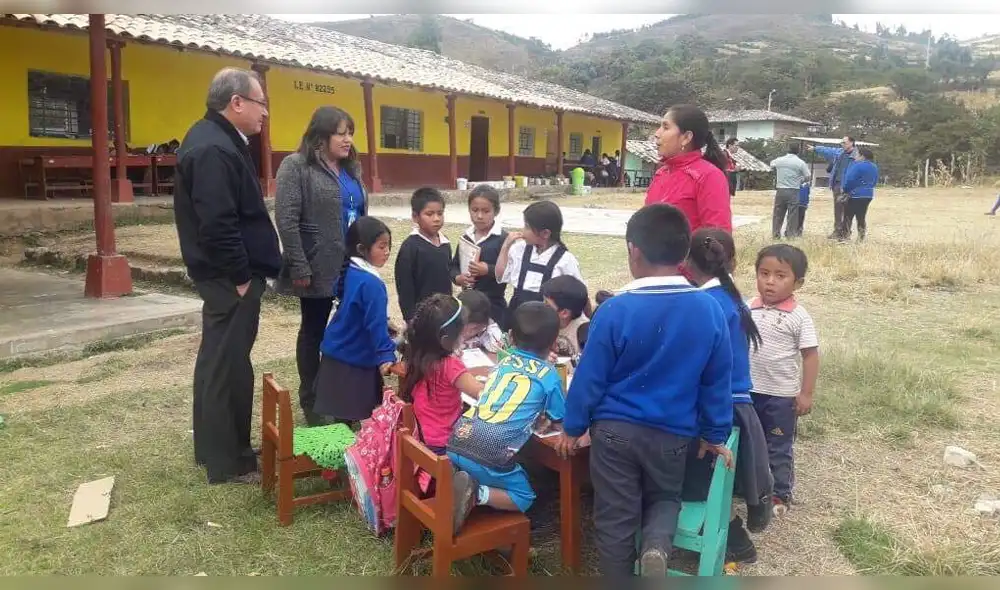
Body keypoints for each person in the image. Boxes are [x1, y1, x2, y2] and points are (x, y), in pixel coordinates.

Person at [557, 204, 734, 577]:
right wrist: (715, 433)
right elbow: (718, 380)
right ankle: (656, 546)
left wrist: (573, 427)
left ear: (633, 250)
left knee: (616, 516)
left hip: (614, 433)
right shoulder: (708, 309)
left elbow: (590, 379)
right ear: (685, 253)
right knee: (666, 497)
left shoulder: (614, 310)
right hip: (673, 434)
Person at [174, 67, 280, 485]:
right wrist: (239, 276)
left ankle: (217, 447)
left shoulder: (214, 139)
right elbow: (218, 224)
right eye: (261, 103)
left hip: (225, 276)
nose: (265, 114)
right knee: (228, 365)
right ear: (236, 102)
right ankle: (228, 461)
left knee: (218, 361)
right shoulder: (213, 148)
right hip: (228, 278)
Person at [682, 228, 773, 565]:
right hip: (737, 405)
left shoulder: (703, 304)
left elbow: (703, 371)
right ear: (733, 261)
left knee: (685, 479)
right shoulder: (732, 298)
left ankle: (733, 539)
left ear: (687, 265)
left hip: (719, 408)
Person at [274, 106, 368, 426]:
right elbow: (286, 220)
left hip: (351, 265)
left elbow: (360, 214)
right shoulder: (296, 166)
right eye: (341, 132)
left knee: (347, 332)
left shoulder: (352, 168)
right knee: (313, 331)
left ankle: (342, 399)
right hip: (317, 264)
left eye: (350, 132)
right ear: (321, 134)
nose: (347, 139)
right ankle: (312, 402)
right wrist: (300, 265)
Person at [447, 302, 567, 534]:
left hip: (457, 438)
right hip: (491, 452)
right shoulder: (549, 375)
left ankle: (467, 489)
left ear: (510, 337)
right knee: (524, 496)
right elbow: (561, 420)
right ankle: (477, 495)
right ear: (554, 343)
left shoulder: (503, 362)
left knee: (506, 465)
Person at [748, 244, 820, 516]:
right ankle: (747, 487)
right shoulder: (748, 309)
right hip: (748, 392)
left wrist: (806, 394)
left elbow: (810, 356)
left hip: (780, 397)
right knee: (747, 441)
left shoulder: (799, 317)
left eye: (780, 276)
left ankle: (779, 494)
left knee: (778, 446)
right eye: (764, 273)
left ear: (797, 282)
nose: (770, 281)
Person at [314, 217, 396, 425]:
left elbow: (357, 311)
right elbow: (375, 325)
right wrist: (386, 354)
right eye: (381, 246)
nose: (387, 251)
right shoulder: (372, 283)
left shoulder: (352, 270)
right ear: (362, 248)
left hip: (337, 354)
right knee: (354, 420)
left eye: (388, 246)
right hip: (352, 360)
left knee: (341, 421)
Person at [399, 294, 484, 456]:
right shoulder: (450, 365)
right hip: (444, 445)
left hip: (420, 433)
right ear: (445, 341)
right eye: (461, 334)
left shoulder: (416, 353)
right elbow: (482, 393)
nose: (463, 339)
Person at [644, 105, 732, 233]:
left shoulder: (709, 176)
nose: (657, 133)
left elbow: (718, 237)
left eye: (666, 127)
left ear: (686, 137)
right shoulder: (661, 173)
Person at [495, 200, 584, 316]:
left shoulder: (565, 260)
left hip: (546, 320)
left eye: (527, 227)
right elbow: (500, 276)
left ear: (545, 233)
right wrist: (505, 246)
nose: (523, 231)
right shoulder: (519, 249)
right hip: (516, 315)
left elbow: (580, 295)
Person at [450, 185, 509, 329]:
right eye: (474, 210)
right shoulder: (466, 237)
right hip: (467, 305)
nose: (479, 216)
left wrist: (487, 269)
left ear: (496, 211)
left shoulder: (503, 240)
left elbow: (510, 272)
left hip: (493, 306)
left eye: (486, 211)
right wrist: (458, 278)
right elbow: (453, 266)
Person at [395, 187, 453, 322]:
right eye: (430, 214)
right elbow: (405, 289)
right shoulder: (410, 248)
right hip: (422, 318)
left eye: (440, 213)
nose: (436, 219)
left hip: (445, 314)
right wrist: (410, 319)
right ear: (415, 217)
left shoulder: (445, 243)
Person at [809, 136, 856, 239]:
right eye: (842, 142)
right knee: (838, 209)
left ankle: (846, 233)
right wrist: (815, 148)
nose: (842, 144)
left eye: (844, 142)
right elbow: (828, 150)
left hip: (849, 186)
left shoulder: (856, 156)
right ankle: (837, 231)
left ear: (851, 143)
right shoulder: (839, 152)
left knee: (847, 210)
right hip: (837, 184)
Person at [540, 275, 590, 358]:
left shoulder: (585, 333)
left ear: (564, 313)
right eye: (543, 300)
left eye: (547, 304)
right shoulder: (542, 322)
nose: (542, 306)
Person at [769, 143, 812, 239]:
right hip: (794, 190)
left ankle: (775, 234)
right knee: (792, 214)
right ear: (798, 151)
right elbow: (808, 176)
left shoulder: (779, 160)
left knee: (778, 213)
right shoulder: (800, 162)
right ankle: (790, 234)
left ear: (788, 150)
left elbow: (771, 164)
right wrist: (800, 180)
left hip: (780, 189)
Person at [840, 148, 879, 242]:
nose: (855, 157)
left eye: (857, 155)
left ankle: (845, 236)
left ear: (862, 156)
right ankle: (861, 237)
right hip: (868, 194)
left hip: (855, 194)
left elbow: (850, 180)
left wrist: (845, 190)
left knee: (848, 216)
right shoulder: (874, 167)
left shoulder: (857, 166)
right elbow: (875, 181)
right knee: (861, 216)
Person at [458, 289, 506, 354]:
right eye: (472, 328)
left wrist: (491, 325)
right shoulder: (450, 334)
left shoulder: (483, 333)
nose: (471, 332)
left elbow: (496, 348)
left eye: (476, 328)